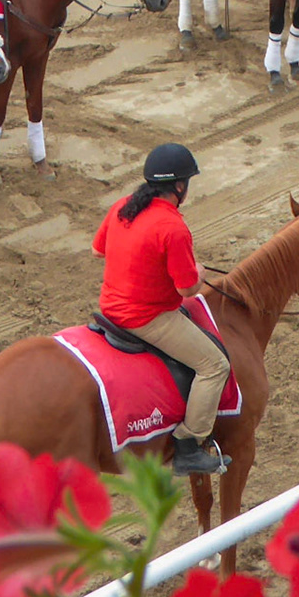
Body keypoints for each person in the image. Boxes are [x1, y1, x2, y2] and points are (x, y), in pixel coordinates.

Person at [92, 144, 229, 476]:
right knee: (215, 365)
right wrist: (199, 273)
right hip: (145, 318)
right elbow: (186, 290)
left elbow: (98, 252)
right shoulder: (173, 228)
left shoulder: (122, 206)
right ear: (180, 187)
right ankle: (189, 443)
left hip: (108, 307)